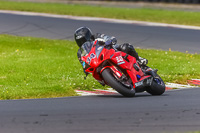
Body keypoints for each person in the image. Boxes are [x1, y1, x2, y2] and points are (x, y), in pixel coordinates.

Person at [74, 26, 148, 73]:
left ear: (88, 36)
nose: (83, 42)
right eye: (80, 41)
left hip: (110, 51)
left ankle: (139, 60)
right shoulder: (80, 52)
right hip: (97, 63)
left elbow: (107, 37)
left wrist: (110, 40)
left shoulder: (96, 36)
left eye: (84, 39)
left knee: (126, 47)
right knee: (96, 74)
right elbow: (83, 63)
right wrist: (85, 69)